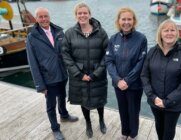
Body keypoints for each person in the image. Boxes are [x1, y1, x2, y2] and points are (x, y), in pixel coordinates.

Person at [26, 7, 78, 140]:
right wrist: (40, 85)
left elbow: (67, 52)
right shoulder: (32, 37)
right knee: (50, 104)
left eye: (45, 16)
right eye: (40, 17)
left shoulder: (59, 31)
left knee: (62, 96)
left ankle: (64, 115)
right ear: (36, 19)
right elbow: (33, 63)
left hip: (62, 73)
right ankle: (55, 128)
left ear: (49, 17)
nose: (43, 19)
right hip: (47, 77)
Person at [61, 3, 108, 138]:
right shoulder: (69, 33)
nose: (82, 15)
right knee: (83, 100)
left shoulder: (101, 32)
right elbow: (65, 54)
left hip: (97, 75)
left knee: (99, 99)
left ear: (89, 14)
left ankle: (101, 120)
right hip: (79, 76)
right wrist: (78, 74)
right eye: (79, 13)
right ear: (76, 15)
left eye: (84, 13)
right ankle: (88, 123)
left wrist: (96, 73)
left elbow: (107, 54)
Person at [141, 19, 181, 140]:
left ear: (176, 33)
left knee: (168, 132)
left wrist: (167, 101)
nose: (169, 33)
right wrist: (153, 97)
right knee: (159, 127)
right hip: (155, 101)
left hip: (174, 104)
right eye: (166, 30)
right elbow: (144, 76)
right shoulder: (152, 52)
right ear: (160, 33)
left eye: (172, 30)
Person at [105, 7, 147, 140]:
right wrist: (117, 80)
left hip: (134, 84)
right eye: (123, 19)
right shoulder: (113, 39)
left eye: (129, 19)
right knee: (122, 110)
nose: (126, 22)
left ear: (134, 21)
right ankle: (124, 133)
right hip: (118, 84)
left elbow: (141, 62)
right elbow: (109, 61)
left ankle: (133, 135)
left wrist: (127, 80)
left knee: (133, 111)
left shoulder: (141, 39)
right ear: (118, 21)